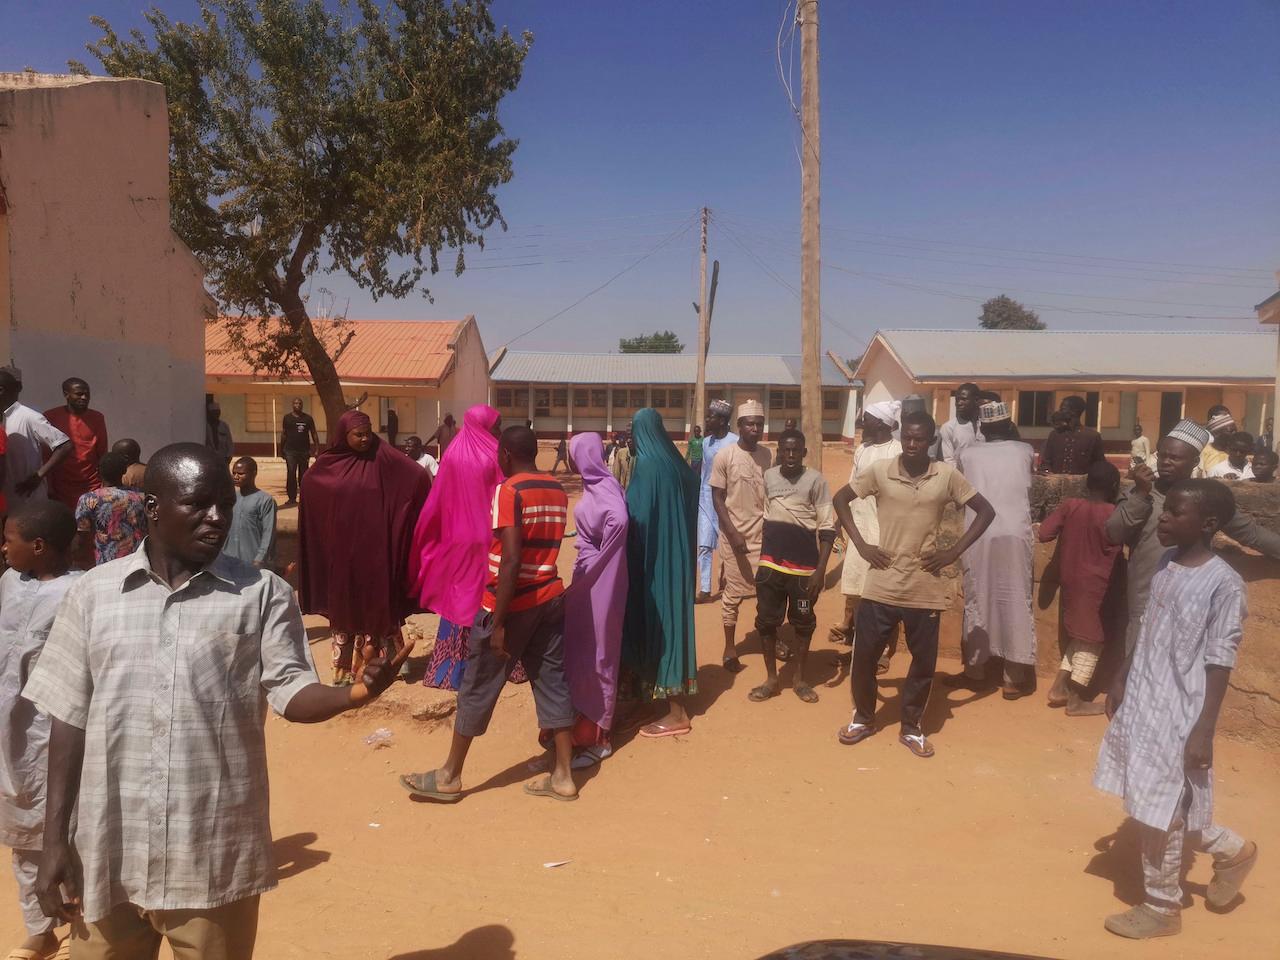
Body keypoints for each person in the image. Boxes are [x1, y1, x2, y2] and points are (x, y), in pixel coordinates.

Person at [23, 443, 410, 959]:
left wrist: (355, 693)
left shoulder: (262, 594)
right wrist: (54, 844)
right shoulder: (94, 594)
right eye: (199, 504)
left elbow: (291, 691)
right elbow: (67, 722)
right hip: (109, 850)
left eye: (225, 505)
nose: (217, 518)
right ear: (154, 508)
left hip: (210, 854)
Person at [1094, 479, 1257, 939]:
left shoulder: (1224, 584)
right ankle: (1233, 851)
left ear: (1206, 524)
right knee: (1159, 801)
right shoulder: (1166, 563)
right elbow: (1148, 626)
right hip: (1146, 698)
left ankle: (1163, 906)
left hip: (1182, 711)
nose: (1163, 518)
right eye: (1165, 511)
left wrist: (1204, 730)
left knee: (1159, 807)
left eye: (1174, 513)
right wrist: (1123, 675)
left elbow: (1220, 659)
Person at [400, 425, 577, 803]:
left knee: (477, 686)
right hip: (549, 596)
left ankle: (450, 775)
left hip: (513, 604)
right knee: (552, 681)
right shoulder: (557, 489)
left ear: (507, 455)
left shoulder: (508, 490)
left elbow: (511, 558)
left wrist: (497, 621)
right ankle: (563, 775)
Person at [832, 411, 996, 758]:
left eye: (919, 438)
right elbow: (841, 500)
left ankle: (911, 727)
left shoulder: (946, 475)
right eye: (907, 436)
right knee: (863, 658)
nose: (911, 444)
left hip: (925, 586)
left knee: (923, 663)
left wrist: (953, 551)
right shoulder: (880, 470)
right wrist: (861, 546)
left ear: (930, 440)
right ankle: (863, 717)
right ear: (901, 435)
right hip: (882, 584)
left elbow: (985, 511)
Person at [1106, 420, 1280, 656]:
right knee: (1137, 665)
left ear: (1195, 462)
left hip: (1191, 600)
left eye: (1175, 458)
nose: (1166, 462)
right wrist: (1140, 494)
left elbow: (1249, 532)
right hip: (1145, 598)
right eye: (1163, 455)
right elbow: (1114, 533)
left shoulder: (1208, 497)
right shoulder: (1141, 492)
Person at [0, 501, 81, 960]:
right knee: (22, 834)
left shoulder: (81, 591)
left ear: (38, 545)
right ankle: (40, 927)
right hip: (12, 735)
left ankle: (82, 923)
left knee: (69, 832)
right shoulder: (10, 582)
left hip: (57, 733)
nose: (3, 547)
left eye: (9, 539)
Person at [299, 410, 432, 684]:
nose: (364, 439)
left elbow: (417, 476)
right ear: (343, 435)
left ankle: (388, 665)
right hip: (343, 552)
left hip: (376, 551)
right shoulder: (328, 464)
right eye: (358, 434)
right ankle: (346, 672)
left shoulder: (383, 456)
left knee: (378, 602)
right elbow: (311, 485)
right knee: (346, 606)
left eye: (367, 433)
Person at [407, 406, 509, 691]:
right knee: (488, 595)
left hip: (457, 539)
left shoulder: (452, 453)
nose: (499, 431)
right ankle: (491, 666)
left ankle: (449, 670)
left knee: (458, 599)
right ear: (485, 425)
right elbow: (505, 494)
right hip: (489, 537)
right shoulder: (494, 454)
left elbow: (439, 499)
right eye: (496, 426)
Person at [620, 408, 700, 737]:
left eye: (633, 432)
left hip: (656, 561)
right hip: (677, 559)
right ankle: (651, 698)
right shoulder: (675, 465)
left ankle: (677, 712)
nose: (631, 440)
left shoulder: (649, 467)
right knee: (672, 622)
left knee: (660, 623)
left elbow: (635, 517)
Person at [954, 402, 1038, 698]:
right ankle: (1013, 676)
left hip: (978, 533)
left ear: (983, 427)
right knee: (1016, 598)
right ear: (1008, 424)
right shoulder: (1025, 451)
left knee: (978, 596)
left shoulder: (967, 453)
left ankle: (975, 670)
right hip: (1015, 533)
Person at [748, 429, 836, 704]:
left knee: (803, 624)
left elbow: (827, 527)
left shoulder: (816, 481)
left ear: (803, 453)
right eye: (785, 450)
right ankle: (772, 679)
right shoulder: (769, 477)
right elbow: (764, 516)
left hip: (803, 572)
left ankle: (799, 679)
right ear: (779, 452)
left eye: (795, 450)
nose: (789, 455)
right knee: (766, 622)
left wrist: (820, 571)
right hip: (771, 566)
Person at [559, 433, 629, 765]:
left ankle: (600, 736)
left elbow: (620, 520)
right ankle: (581, 726)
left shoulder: (604, 489)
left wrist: (601, 559)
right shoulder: (595, 485)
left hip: (604, 579)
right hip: (588, 575)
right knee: (582, 649)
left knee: (601, 652)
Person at [1039, 461, 1125, 716]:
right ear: (1114, 486)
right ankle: (1076, 700)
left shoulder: (1070, 506)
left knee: (1080, 636)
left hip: (1071, 581)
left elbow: (1043, 533)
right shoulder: (1114, 513)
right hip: (1099, 585)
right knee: (1093, 639)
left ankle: (1059, 688)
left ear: (1086, 485)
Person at [831, 402, 902, 657]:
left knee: (881, 592)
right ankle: (859, 646)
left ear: (882, 423)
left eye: (868, 418)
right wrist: (839, 522)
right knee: (858, 590)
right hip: (859, 529)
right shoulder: (862, 450)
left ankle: (882, 650)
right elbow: (850, 487)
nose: (863, 423)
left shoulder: (898, 451)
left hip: (884, 530)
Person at [710, 400, 772, 673]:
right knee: (733, 595)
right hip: (735, 537)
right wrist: (733, 533)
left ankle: (769, 639)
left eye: (759, 423)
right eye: (750, 424)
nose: (755, 428)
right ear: (740, 426)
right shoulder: (725, 456)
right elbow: (717, 497)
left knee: (768, 594)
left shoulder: (768, 456)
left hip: (763, 536)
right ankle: (730, 647)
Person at [0, 370, 71, 508]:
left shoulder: (28, 416)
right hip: (6, 501)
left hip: (29, 501)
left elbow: (64, 445)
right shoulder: (2, 418)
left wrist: (39, 475)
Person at [43, 377, 108, 511]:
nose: (84, 397)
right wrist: (49, 487)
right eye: (79, 394)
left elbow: (102, 453)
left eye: (87, 394)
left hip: (91, 485)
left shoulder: (97, 418)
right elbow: (46, 454)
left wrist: (105, 484)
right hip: (61, 487)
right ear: (66, 394)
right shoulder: (51, 417)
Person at [696, 400, 738, 602]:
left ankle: (730, 582)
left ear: (721, 420)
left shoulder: (734, 442)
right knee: (704, 545)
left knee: (726, 546)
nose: (707, 420)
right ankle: (705, 589)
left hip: (726, 502)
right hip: (705, 500)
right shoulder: (706, 442)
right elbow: (704, 472)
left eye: (710, 416)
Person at [73, 452, 147, 567]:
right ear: (124, 471)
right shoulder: (141, 496)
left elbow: (82, 536)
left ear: (98, 471)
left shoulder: (89, 499)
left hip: (106, 564)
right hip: (137, 561)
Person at [222, 457, 277, 570]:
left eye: (241, 474)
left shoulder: (265, 500)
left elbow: (269, 533)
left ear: (254, 473)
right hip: (228, 559)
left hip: (252, 561)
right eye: (234, 473)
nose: (236, 477)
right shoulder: (230, 498)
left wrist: (259, 559)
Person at [1039, 396, 1105, 474]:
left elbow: (1100, 465)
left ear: (1074, 411)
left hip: (1081, 484)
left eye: (1063, 409)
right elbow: (1046, 462)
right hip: (1056, 483)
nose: (1059, 412)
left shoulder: (1092, 436)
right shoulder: (1055, 435)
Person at [279, 397, 318, 506]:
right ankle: (291, 498)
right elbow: (284, 434)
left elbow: (314, 433)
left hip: (304, 451)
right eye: (295, 403)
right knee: (291, 474)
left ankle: (304, 498)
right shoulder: (287, 418)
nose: (298, 405)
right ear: (292, 405)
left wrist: (316, 449)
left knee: (304, 475)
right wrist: (281, 449)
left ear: (302, 405)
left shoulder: (308, 419)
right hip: (290, 451)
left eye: (300, 403)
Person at [939, 382, 983, 467]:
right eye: (957, 400)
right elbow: (948, 461)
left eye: (963, 399)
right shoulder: (948, 428)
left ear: (976, 400)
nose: (959, 403)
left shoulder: (987, 425)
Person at [1199, 405, 1235, 475]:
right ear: (1216, 433)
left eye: (1235, 430)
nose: (1234, 433)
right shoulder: (1204, 450)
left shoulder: (1237, 452)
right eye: (1230, 431)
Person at [205, 400, 234, 464]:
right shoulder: (205, 426)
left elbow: (229, 442)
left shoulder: (224, 426)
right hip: (210, 457)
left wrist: (229, 456)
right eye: (214, 412)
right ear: (210, 413)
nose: (216, 414)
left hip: (223, 457)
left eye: (218, 412)